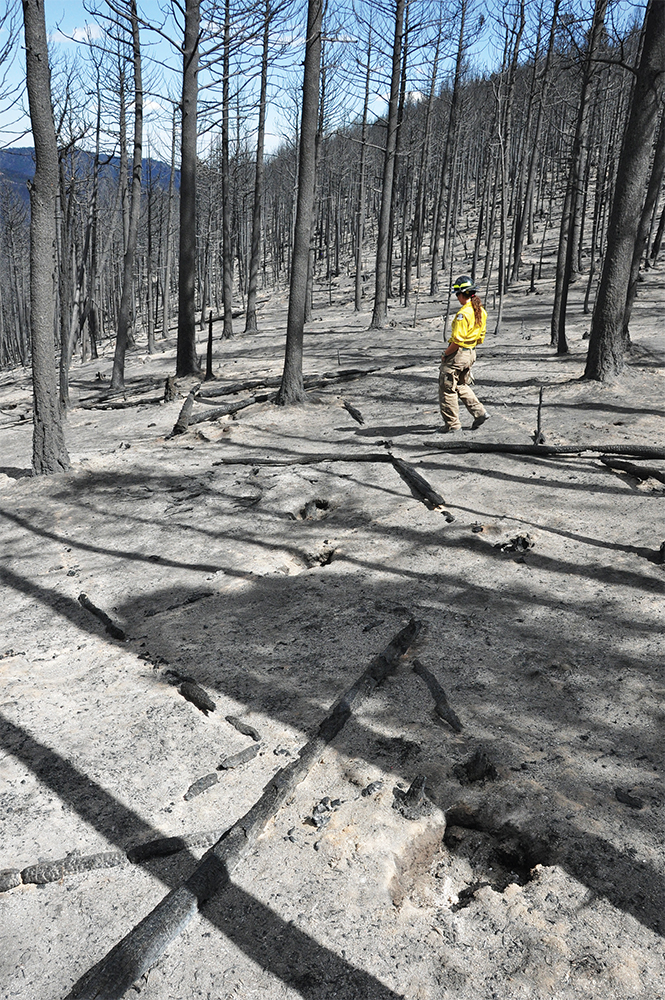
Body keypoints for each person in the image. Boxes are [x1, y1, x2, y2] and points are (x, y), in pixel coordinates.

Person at [439, 275, 489, 433]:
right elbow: (481, 338)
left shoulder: (463, 314)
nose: (457, 298)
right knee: (460, 384)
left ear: (462, 294)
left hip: (458, 354)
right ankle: (480, 412)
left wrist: (446, 354)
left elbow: (457, 341)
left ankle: (452, 425)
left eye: (457, 295)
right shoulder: (480, 311)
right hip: (471, 353)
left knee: (447, 388)